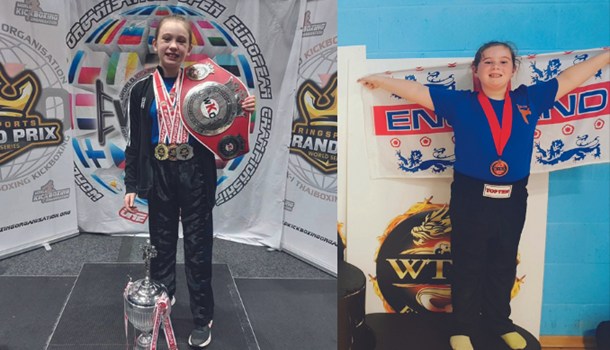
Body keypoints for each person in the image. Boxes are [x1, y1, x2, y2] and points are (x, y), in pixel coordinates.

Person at [359, 42, 610, 350]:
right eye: (488, 61)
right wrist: (382, 81)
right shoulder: (460, 103)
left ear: (513, 69)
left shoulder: (529, 99)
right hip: (471, 196)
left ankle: (499, 322)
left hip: (514, 196)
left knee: (504, 262)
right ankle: (462, 327)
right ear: (475, 70)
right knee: (468, 262)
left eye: (504, 61)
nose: (496, 67)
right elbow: (417, 92)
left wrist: (607, 56)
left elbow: (571, 78)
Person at [122, 15, 256, 348]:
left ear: (189, 47)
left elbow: (225, 124)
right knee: (162, 246)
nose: (173, 46)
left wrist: (243, 108)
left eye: (180, 41)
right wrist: (131, 184)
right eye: (167, 39)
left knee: (198, 248)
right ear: (155, 44)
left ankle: (202, 317)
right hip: (159, 175)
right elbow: (135, 143)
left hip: (195, 173)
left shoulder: (203, 86)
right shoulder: (141, 90)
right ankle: (164, 305)